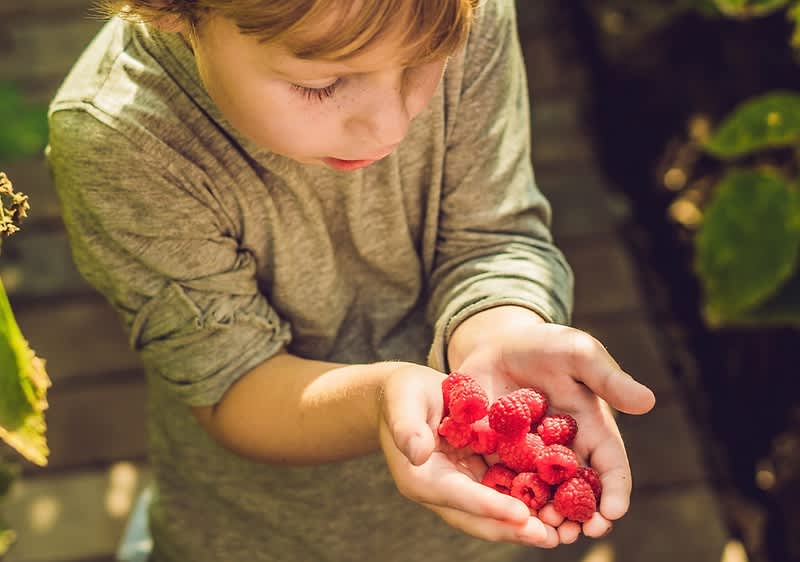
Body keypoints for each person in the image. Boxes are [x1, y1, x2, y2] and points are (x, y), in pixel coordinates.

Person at [46, 0, 656, 560]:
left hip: (478, 524)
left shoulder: (457, 9)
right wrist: (379, 399)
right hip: (256, 538)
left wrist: (501, 330)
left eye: (424, 62)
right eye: (322, 84)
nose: (389, 127)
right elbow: (232, 381)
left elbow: (491, 233)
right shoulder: (121, 139)